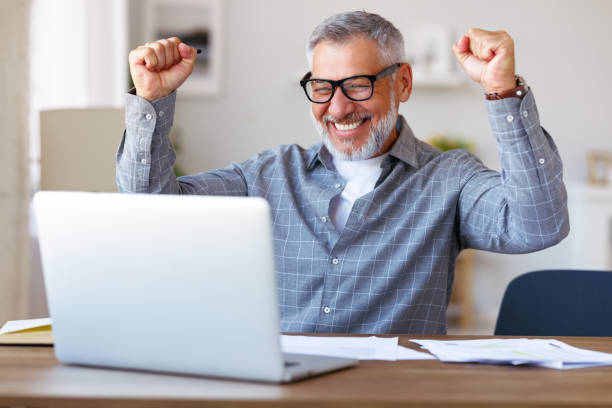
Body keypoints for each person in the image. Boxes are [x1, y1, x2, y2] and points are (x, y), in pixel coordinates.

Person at [117, 11, 569, 334]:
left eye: (357, 85)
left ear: (403, 83)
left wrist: (502, 93)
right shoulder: (269, 175)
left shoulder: (450, 178)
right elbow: (152, 212)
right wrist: (151, 100)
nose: (336, 108)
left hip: (396, 395)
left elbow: (539, 224)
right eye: (321, 87)